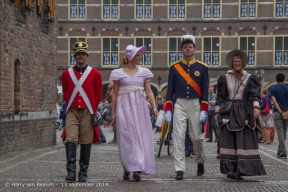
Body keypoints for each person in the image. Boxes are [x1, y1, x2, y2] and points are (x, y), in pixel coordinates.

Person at [109, 45, 158, 182]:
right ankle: (127, 167)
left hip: (139, 107)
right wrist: (113, 112)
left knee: (139, 136)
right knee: (127, 137)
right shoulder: (118, 73)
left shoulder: (144, 72)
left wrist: (154, 107)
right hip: (124, 107)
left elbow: (148, 91)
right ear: (130, 57)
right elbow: (115, 93)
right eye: (137, 55)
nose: (140, 57)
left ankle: (137, 168)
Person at [214, 50, 266, 180]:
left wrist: (256, 107)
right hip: (229, 112)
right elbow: (220, 97)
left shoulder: (250, 77)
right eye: (234, 62)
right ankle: (232, 169)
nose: (237, 63)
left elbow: (254, 94)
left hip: (244, 113)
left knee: (244, 139)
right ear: (231, 64)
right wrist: (216, 111)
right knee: (229, 139)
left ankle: (242, 170)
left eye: (239, 61)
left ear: (243, 63)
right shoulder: (224, 78)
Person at [164, 35, 209, 180]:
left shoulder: (202, 68)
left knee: (196, 137)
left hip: (195, 103)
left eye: (190, 47)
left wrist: (204, 109)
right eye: (185, 47)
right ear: (181, 50)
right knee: (178, 136)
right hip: (180, 104)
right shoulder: (175, 68)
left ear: (194, 49)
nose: (188, 49)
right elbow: (170, 90)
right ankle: (179, 169)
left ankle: (200, 160)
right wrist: (168, 110)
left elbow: (205, 89)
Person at [62, 40, 102, 182]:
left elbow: (97, 95)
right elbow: (66, 94)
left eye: (83, 54)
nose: (81, 56)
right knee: (71, 138)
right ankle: (71, 172)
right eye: (78, 54)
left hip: (87, 111)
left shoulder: (95, 74)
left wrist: (92, 109)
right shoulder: (66, 74)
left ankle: (83, 172)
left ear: (87, 56)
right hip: (72, 110)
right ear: (74, 56)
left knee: (86, 140)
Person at [269, 73, 288, 158]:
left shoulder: (273, 89)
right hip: (287, 113)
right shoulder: (287, 88)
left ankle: (283, 151)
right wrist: (286, 111)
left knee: (280, 132)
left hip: (278, 113)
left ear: (276, 79)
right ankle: (280, 150)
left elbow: (274, 102)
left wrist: (281, 112)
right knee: (284, 132)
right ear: (284, 79)